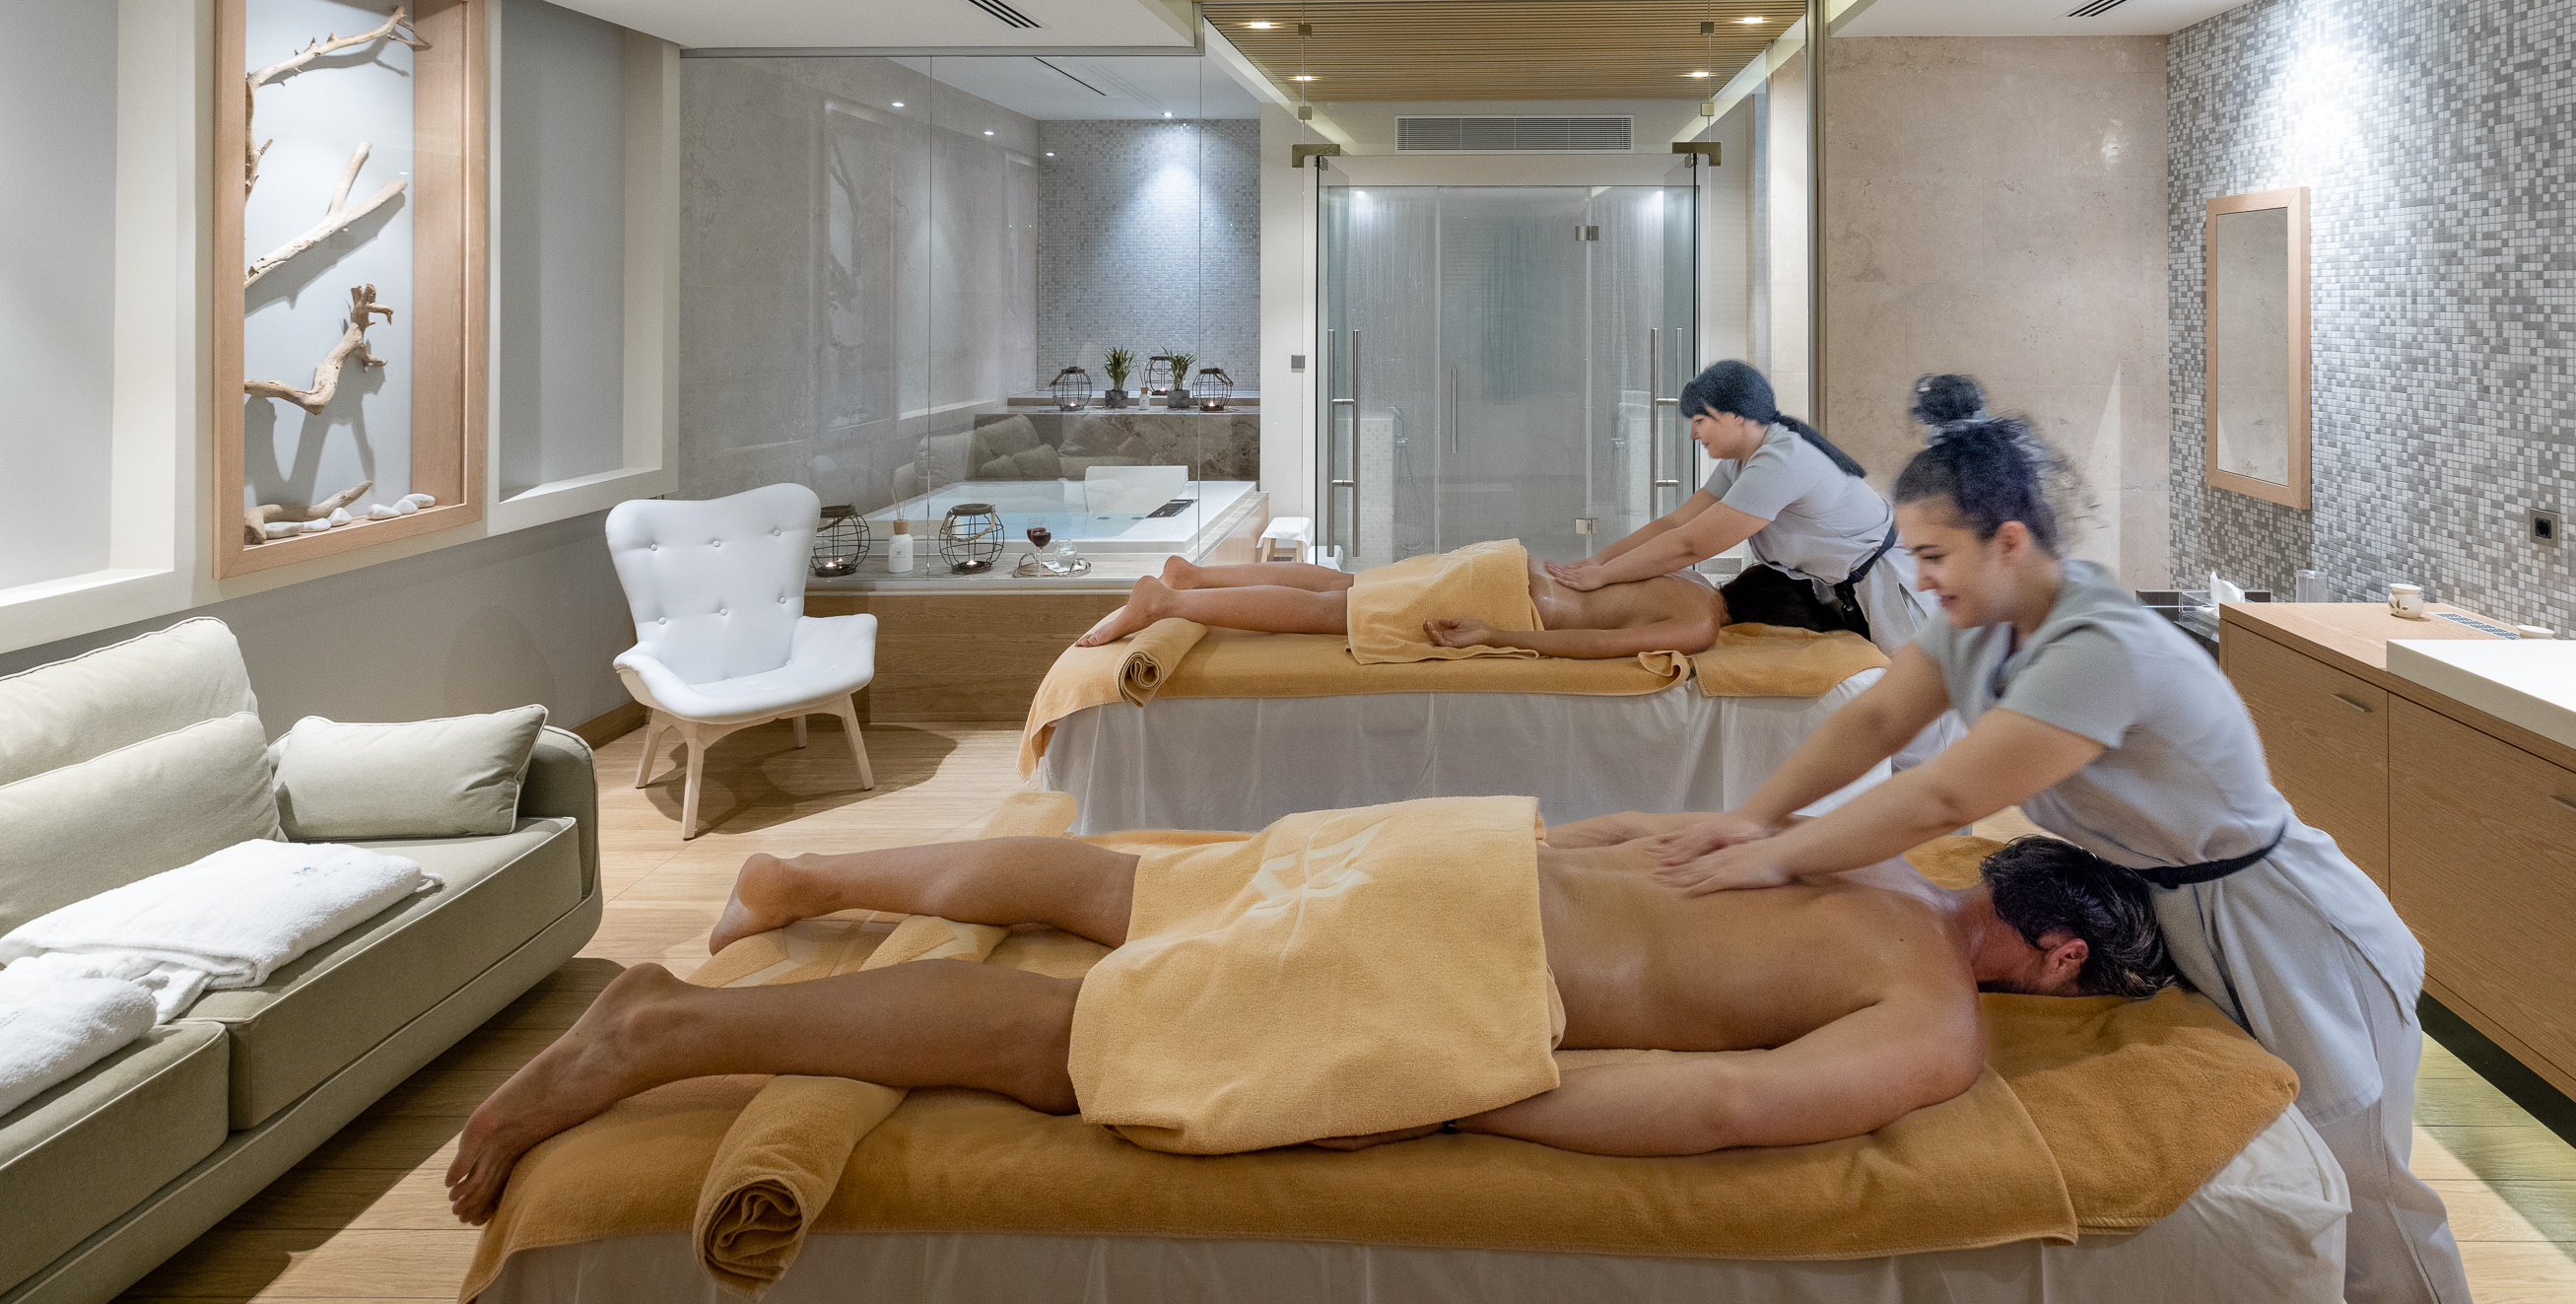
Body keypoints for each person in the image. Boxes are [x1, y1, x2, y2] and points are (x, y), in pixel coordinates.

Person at [1650, 374, 2470, 1304]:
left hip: (2293, 931)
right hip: (2188, 906)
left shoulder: (2098, 646)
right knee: (2301, 1187)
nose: (1918, 577)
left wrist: (1774, 855)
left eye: (1933, 554)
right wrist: (1751, 816)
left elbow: (1941, 791)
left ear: (2008, 542)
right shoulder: (1984, 622)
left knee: (2367, 1201)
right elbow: (1876, 723)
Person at [442, 820, 2173, 1222]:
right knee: (1067, 1047)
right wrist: (1491, 1096)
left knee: (1120, 892)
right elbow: (1725, 1116)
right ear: (2066, 966)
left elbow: (1626, 839)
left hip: (1462, 852)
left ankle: (810, 874)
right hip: (1463, 974)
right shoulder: (1936, 1010)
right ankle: (658, 1036)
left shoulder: (1869, 841)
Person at [1548, 360, 1927, 652]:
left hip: (1889, 587)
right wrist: (1598, 562)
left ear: (1737, 416)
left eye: (1701, 420)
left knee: (1921, 726)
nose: (1694, 433)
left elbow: (1690, 545)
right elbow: (1676, 524)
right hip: (1846, 588)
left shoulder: (1782, 460)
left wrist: (1605, 576)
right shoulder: (1742, 460)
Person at [1070, 550, 1724, 659]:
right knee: (1342, 613)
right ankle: (1170, 599)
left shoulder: (1693, 577)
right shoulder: (1699, 621)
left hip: (1504, 563)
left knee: (1350, 587)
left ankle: (1198, 577)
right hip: (1509, 597)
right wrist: (1496, 635)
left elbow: (1612, 560)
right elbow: (1592, 646)